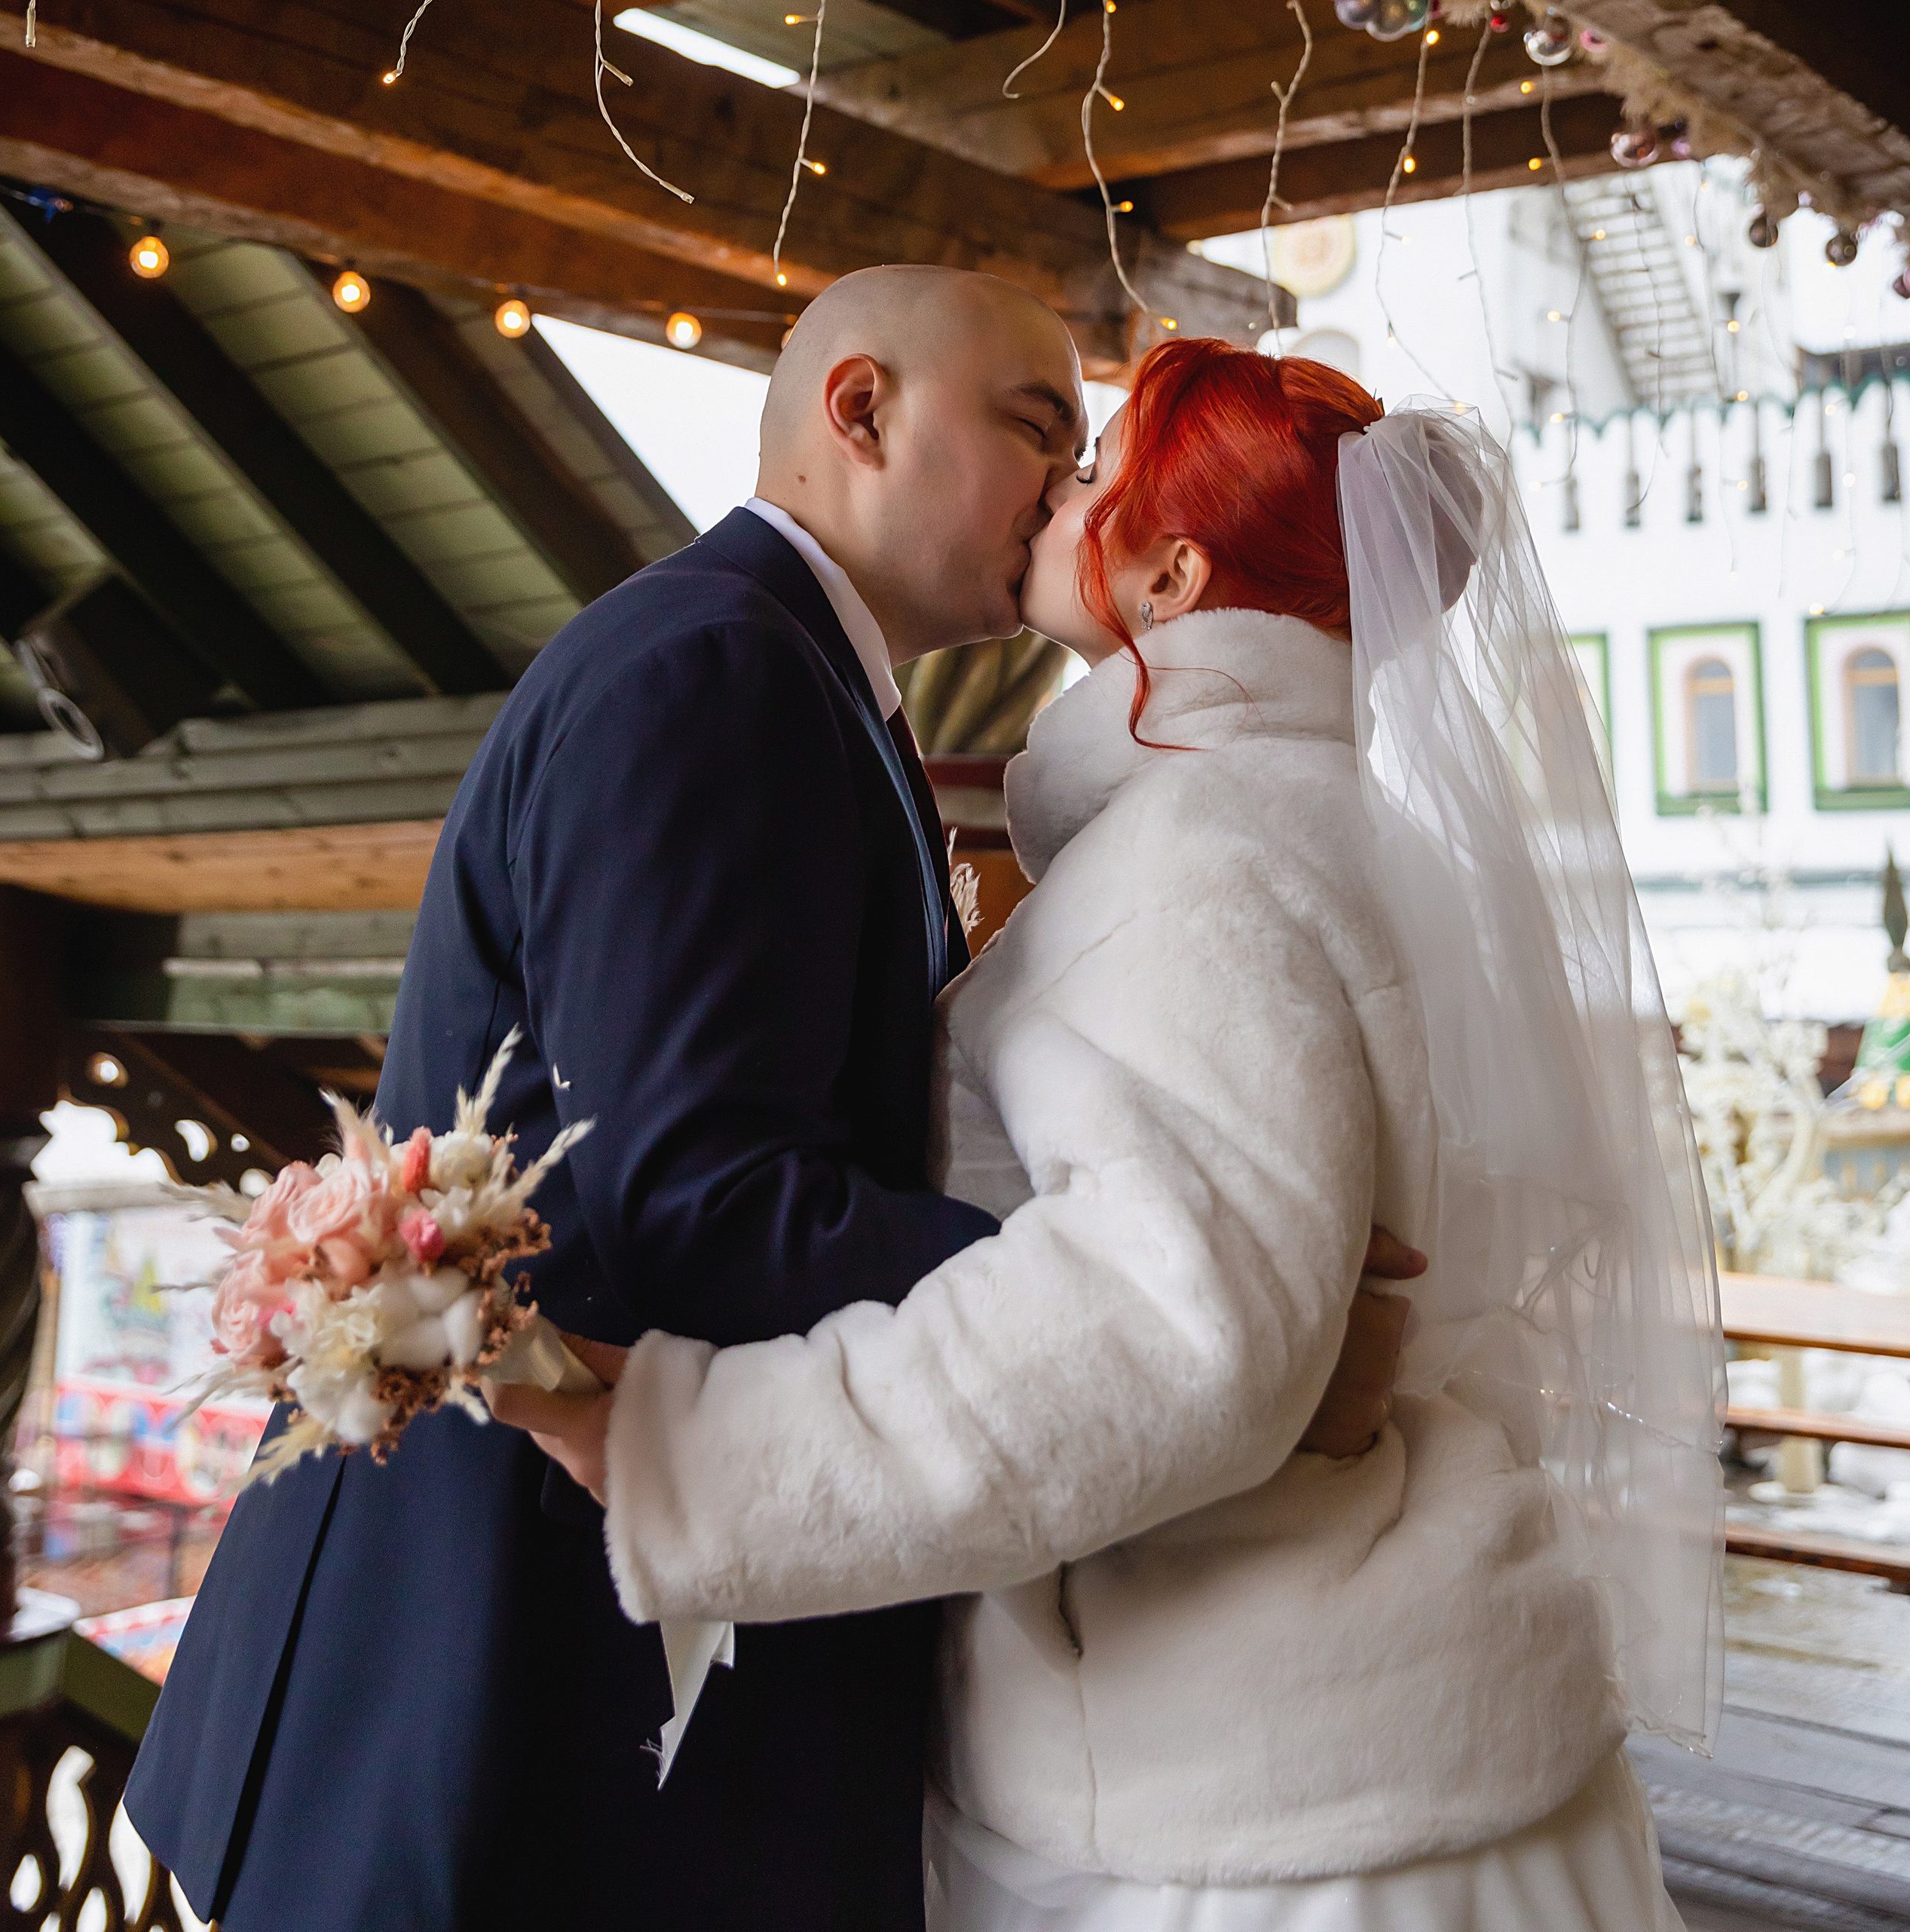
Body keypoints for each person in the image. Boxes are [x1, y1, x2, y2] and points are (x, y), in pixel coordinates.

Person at [125, 272, 1412, 1932]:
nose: (1064, 484)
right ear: (859, 411)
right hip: (505, 1647)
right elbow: (700, 1200)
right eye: (1036, 425)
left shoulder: (792, 670)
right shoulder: (717, 667)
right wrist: (1161, 1312)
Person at [504, 338, 1724, 1931]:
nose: (1048, 494)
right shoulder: (1352, 839)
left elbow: (1163, 1328)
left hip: (1246, 1795)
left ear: (1168, 567)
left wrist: (694, 1452)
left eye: (1090, 471)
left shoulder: (1196, 858)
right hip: (1385, 1722)